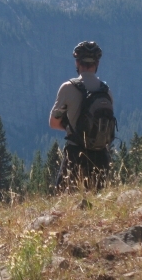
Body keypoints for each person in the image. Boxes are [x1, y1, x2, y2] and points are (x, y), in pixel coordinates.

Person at [49, 41, 115, 189]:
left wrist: (71, 127)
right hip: (101, 157)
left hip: (75, 155)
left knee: (64, 203)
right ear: (97, 63)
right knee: (98, 204)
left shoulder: (68, 88)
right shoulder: (106, 91)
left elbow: (53, 123)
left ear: (77, 62)